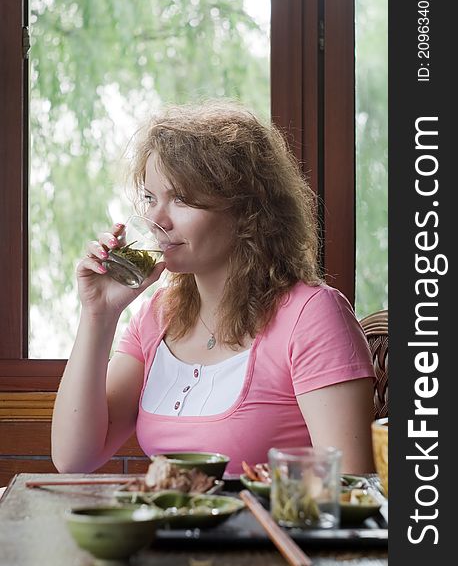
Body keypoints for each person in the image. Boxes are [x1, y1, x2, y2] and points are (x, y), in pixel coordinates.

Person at [51, 101, 375, 477]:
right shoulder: (158, 315)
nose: (156, 220)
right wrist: (98, 315)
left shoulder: (313, 315)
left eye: (182, 198)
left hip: (270, 536)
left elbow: (350, 489)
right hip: (170, 534)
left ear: (247, 210)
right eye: (150, 198)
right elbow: (74, 458)